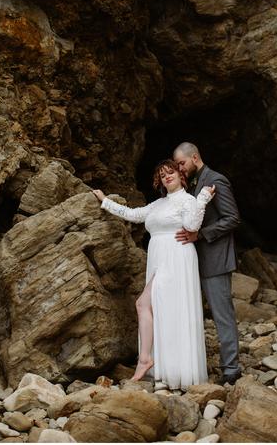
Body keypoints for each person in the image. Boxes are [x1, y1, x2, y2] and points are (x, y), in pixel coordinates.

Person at [92, 160, 215, 389]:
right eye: (162, 174)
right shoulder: (158, 204)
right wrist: (105, 201)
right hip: (159, 259)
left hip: (177, 257)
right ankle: (153, 362)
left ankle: (152, 361)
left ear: (181, 176)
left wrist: (202, 200)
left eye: (171, 173)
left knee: (148, 305)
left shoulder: (188, 200)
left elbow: (191, 225)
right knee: (155, 308)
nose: (167, 177)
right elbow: (133, 214)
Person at [173, 142, 242, 385]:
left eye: (182, 163)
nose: (180, 168)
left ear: (195, 157)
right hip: (194, 260)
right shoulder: (190, 184)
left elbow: (232, 218)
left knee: (222, 315)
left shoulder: (216, 179)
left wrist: (200, 235)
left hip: (215, 259)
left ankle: (231, 369)